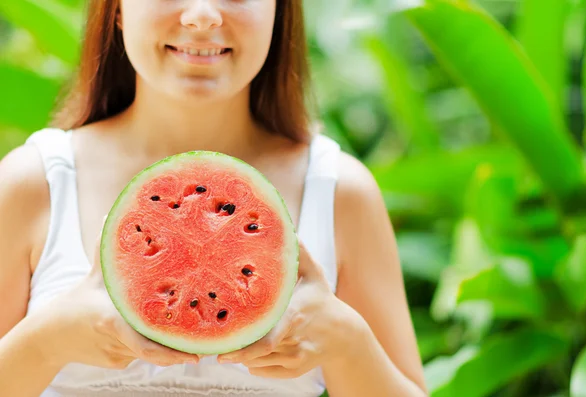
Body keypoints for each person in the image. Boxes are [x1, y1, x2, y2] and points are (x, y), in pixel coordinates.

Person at [0, 1, 428, 396]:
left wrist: (349, 345)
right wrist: (46, 342)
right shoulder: (36, 181)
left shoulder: (338, 191)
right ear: (117, 9)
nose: (202, 16)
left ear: (279, 11)